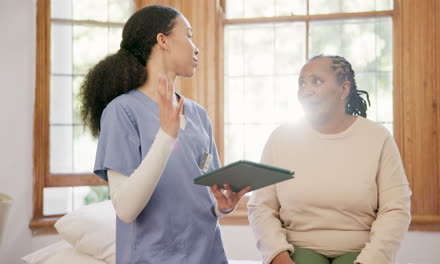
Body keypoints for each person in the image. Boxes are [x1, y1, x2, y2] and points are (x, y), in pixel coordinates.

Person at [80, 5, 250, 264]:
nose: (196, 47)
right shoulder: (122, 111)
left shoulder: (198, 114)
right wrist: (166, 136)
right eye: (189, 35)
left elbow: (200, 195)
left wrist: (221, 206)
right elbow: (126, 209)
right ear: (163, 40)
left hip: (209, 254)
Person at [248, 55, 412, 264]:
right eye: (302, 83)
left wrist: (373, 259)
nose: (306, 90)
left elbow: (396, 208)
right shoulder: (280, 138)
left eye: (316, 81)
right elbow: (261, 206)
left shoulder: (378, 138)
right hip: (296, 250)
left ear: (344, 89)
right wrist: (278, 256)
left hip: (361, 252)